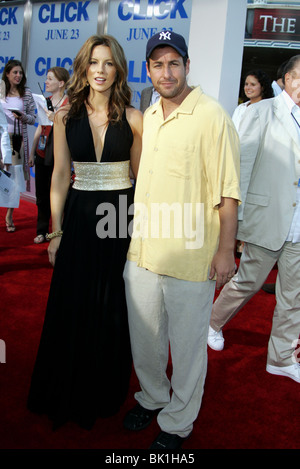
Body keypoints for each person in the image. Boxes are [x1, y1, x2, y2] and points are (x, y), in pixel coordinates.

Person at [123, 30, 241, 449]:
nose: (166, 71)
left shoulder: (213, 116)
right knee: (145, 336)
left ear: (187, 66)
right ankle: (153, 396)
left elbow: (229, 191)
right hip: (143, 250)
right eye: (158, 64)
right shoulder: (150, 113)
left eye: (174, 63)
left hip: (193, 256)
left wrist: (226, 251)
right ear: (150, 70)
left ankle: (178, 422)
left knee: (188, 348)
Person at [27, 35, 143, 430]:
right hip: (77, 216)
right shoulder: (65, 116)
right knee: (73, 301)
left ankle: (103, 387)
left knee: (111, 304)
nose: (100, 70)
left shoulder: (133, 117)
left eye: (109, 63)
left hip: (118, 218)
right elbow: (59, 176)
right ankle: (67, 385)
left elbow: (142, 181)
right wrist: (55, 232)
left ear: (118, 70)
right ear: (84, 66)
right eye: (94, 62)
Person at [207, 55, 300, 385]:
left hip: (298, 223)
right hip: (265, 217)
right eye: (298, 77)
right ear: (286, 79)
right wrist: (239, 222)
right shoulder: (262, 112)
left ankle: (282, 357)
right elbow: (241, 168)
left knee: (294, 296)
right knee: (248, 281)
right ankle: (212, 322)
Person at [231, 70, 273, 256]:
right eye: (246, 84)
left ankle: (245, 245)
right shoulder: (241, 108)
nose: (248, 88)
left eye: (253, 84)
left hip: (256, 165)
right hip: (236, 161)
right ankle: (232, 243)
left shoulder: (268, 109)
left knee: (250, 204)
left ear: (262, 87)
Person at [29, 67, 70, 244]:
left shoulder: (70, 104)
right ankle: (42, 230)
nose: (46, 82)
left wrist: (56, 118)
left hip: (60, 155)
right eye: (46, 78)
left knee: (60, 194)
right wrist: (32, 152)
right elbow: (39, 127)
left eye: (50, 79)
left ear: (61, 83)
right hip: (42, 152)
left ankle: (60, 231)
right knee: (42, 194)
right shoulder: (44, 101)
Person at [1, 60, 36, 232]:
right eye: (15, 72)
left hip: (17, 140)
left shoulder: (26, 93)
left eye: (20, 73)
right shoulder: (0, 91)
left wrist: (22, 116)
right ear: (7, 73)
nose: (18, 76)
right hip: (1, 138)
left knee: (13, 178)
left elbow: (33, 118)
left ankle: (9, 215)